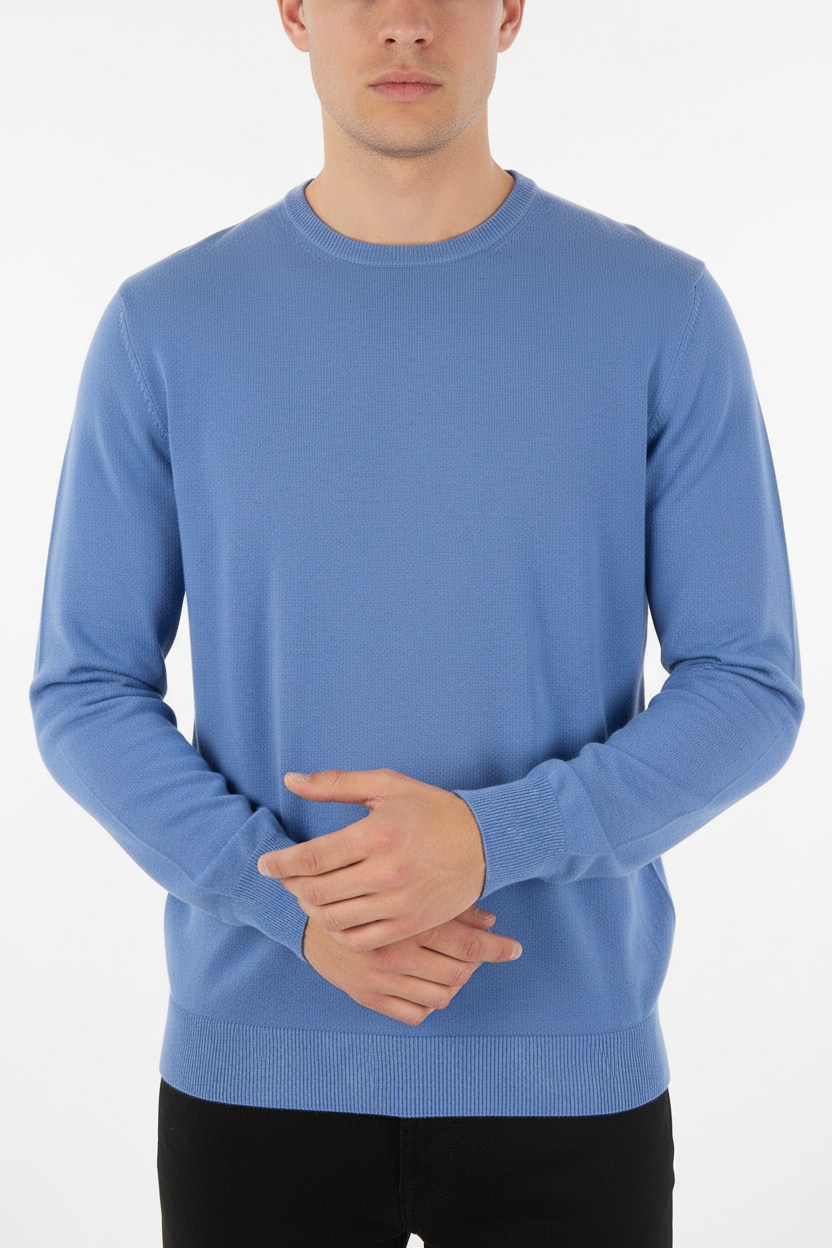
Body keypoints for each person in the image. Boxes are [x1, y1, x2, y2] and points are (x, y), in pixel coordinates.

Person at [28, 0, 804, 1244]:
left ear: (509, 12)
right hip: (254, 1078)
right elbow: (84, 689)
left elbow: (747, 685)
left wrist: (494, 841)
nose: (402, 23)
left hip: (570, 1084)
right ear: (294, 13)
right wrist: (293, 908)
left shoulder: (660, 311)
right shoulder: (165, 324)